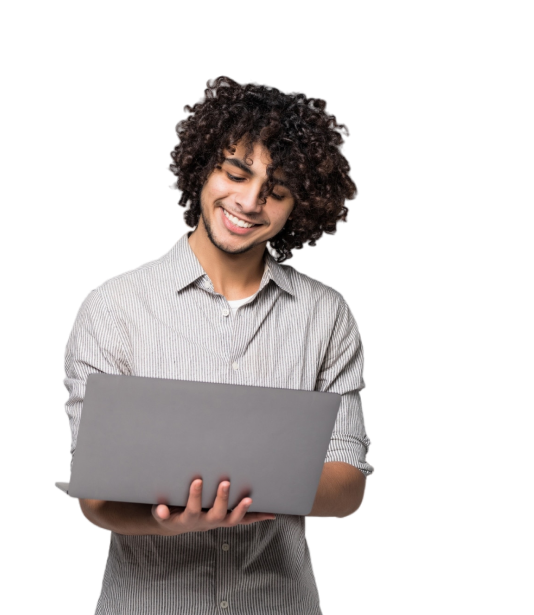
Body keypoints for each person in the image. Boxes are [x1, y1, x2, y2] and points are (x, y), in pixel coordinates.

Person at [62, 75, 374, 615]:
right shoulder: (112, 308)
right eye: (236, 173)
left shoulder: (327, 315)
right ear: (204, 165)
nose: (249, 203)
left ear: (300, 204)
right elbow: (95, 498)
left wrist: (244, 480)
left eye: (275, 192)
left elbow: (347, 485)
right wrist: (173, 517)